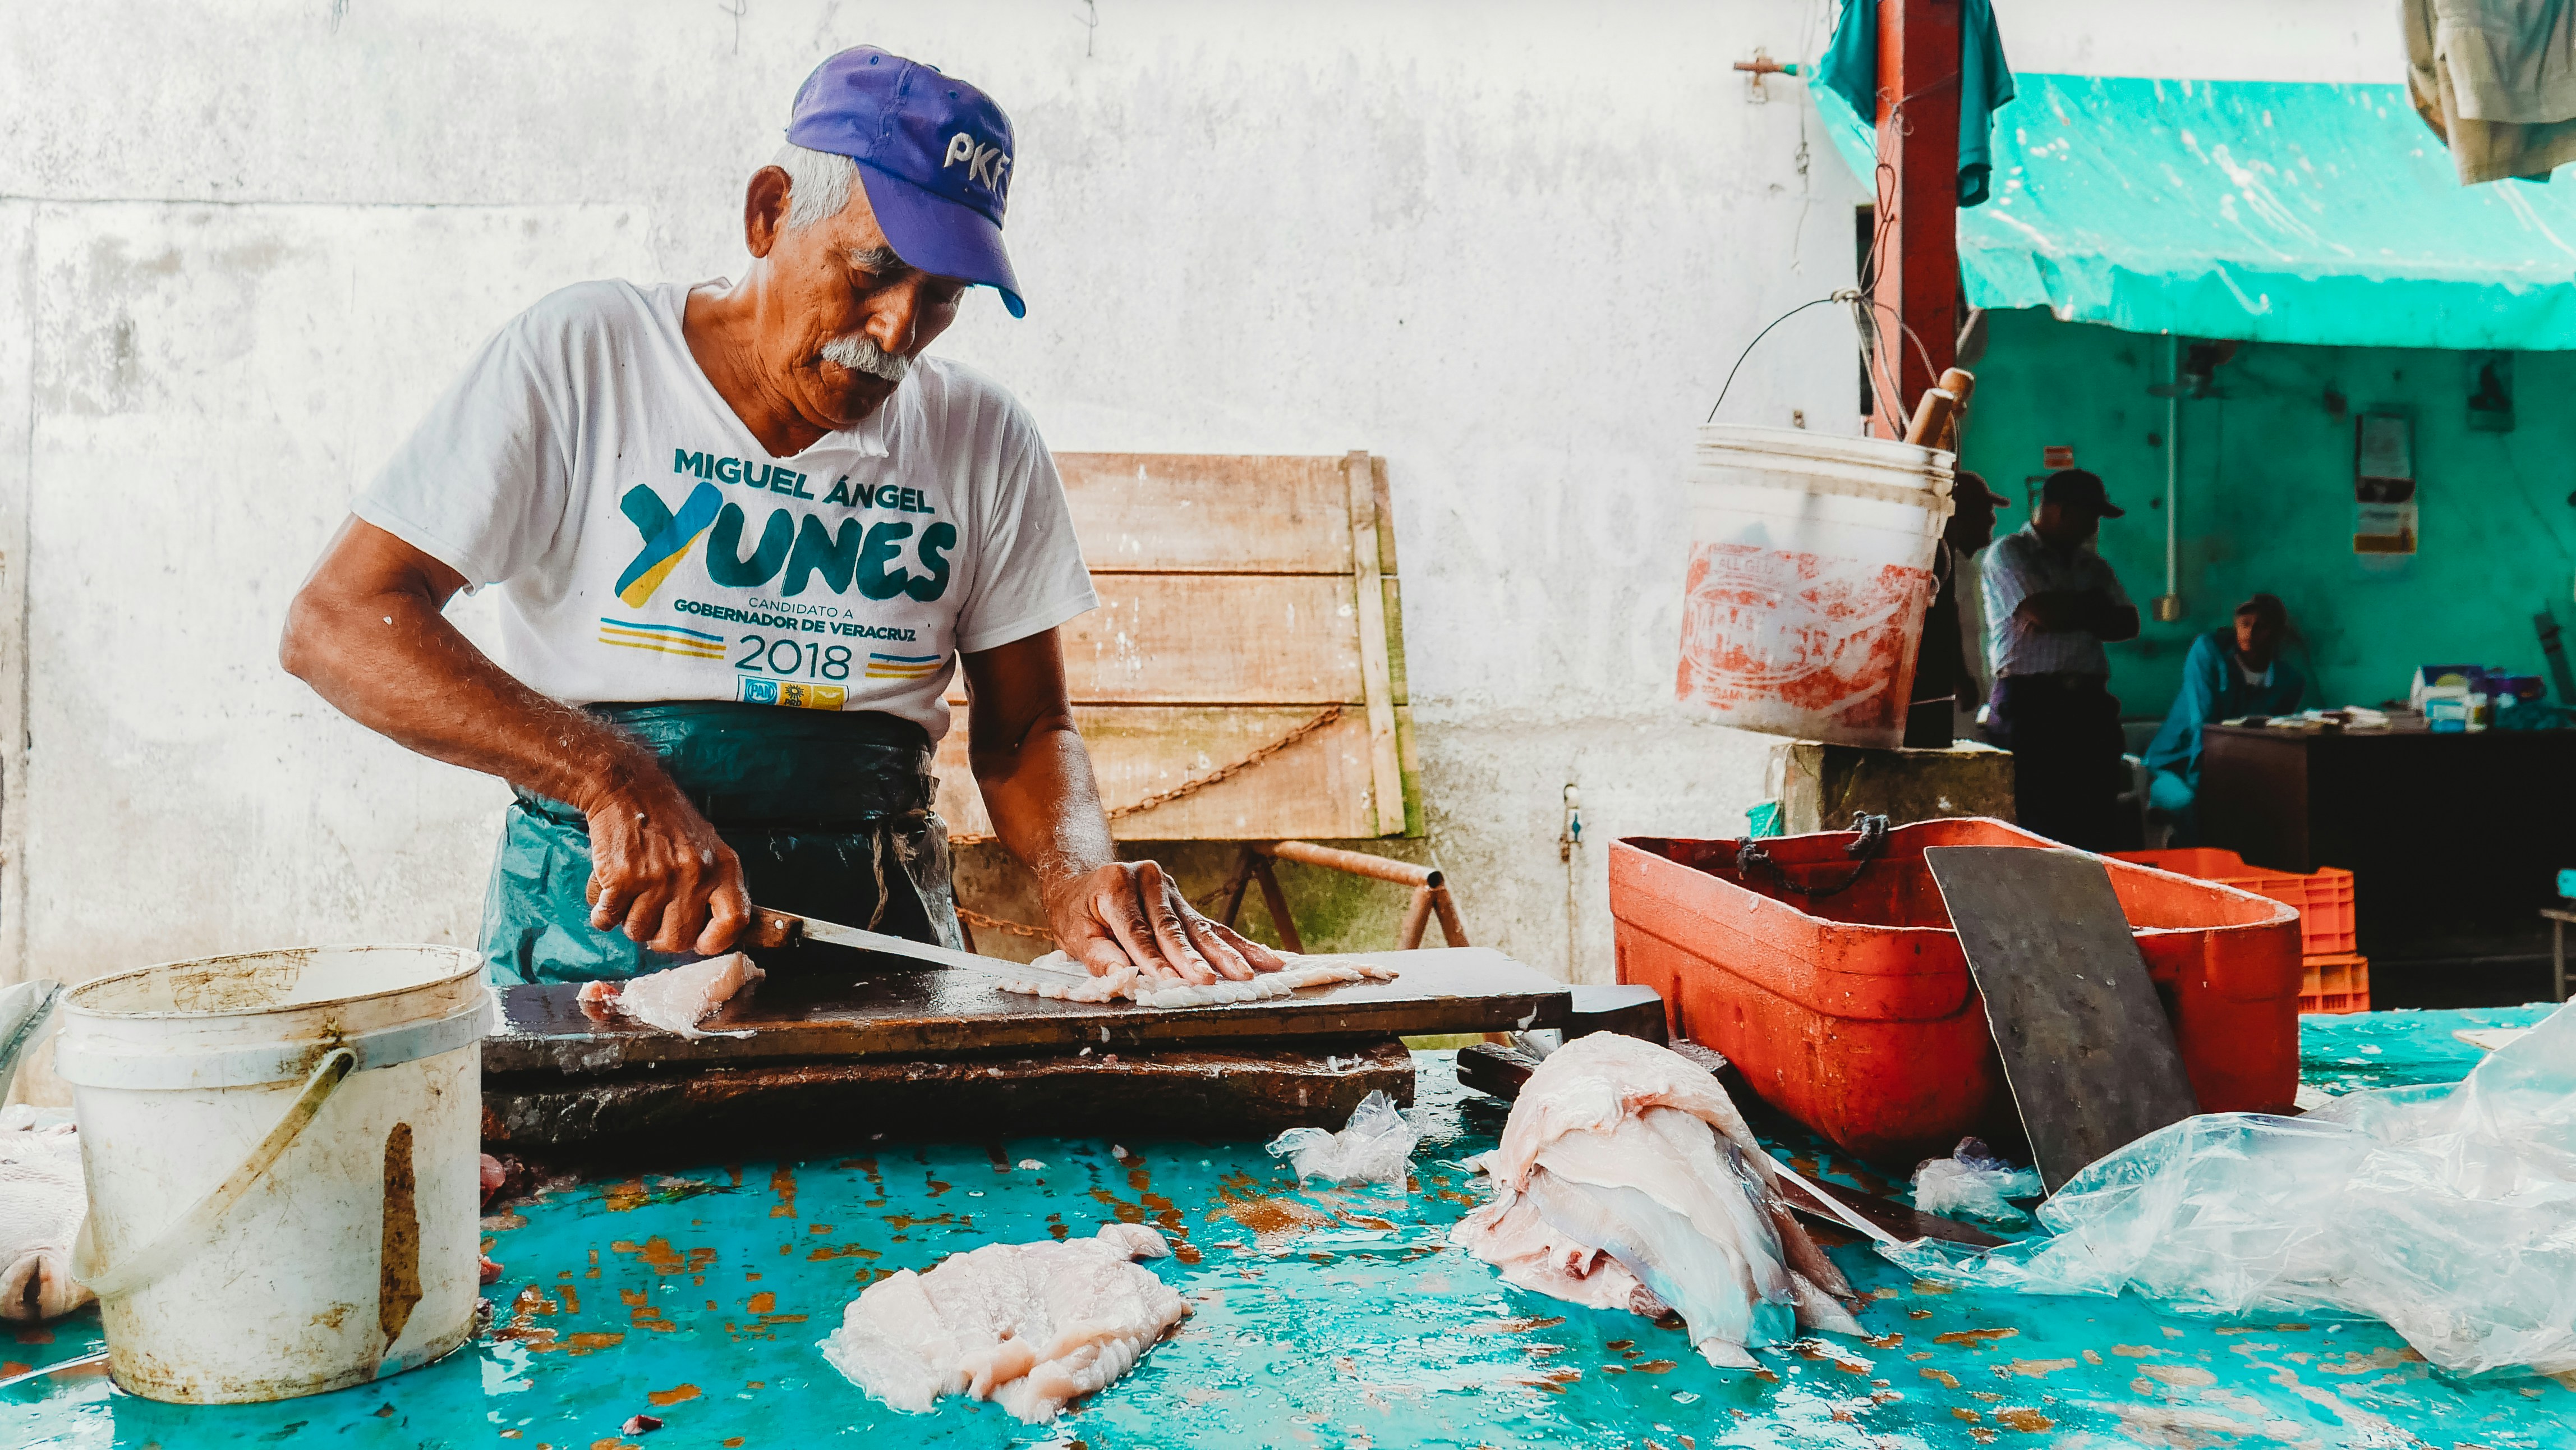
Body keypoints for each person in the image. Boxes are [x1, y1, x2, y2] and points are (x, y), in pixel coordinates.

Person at [280, 47, 1284, 990]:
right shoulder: (584, 356)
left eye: (943, 297)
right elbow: (338, 620)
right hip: (602, 947)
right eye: (873, 271)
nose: (898, 331)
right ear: (768, 213)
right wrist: (604, 772)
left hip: (882, 947)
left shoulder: (980, 434)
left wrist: (1075, 875)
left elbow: (1024, 729)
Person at [1979, 469, 2140, 849]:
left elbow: (2128, 622)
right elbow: (2043, 613)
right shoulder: (2009, 552)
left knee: (2094, 821)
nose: (2093, 527)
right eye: (2089, 516)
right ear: (2062, 511)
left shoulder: (2092, 565)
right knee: (2036, 821)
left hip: (2087, 705)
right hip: (2031, 704)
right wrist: (2092, 607)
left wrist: (2069, 608)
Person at [2142, 594, 2304, 841]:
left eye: (2260, 627)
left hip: (2230, 773)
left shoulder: (2287, 681)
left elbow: (2274, 741)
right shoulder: (2208, 652)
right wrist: (2205, 789)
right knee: (2192, 805)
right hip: (2172, 768)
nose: (2249, 633)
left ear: (2278, 634)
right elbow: (2202, 726)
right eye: (2244, 624)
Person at [1904, 471, 2011, 748]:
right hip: (1952, 697)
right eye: (1984, 512)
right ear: (1959, 517)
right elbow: (1942, 623)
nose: (1992, 520)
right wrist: (1960, 677)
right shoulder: (1942, 567)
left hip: (1968, 697)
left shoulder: (1966, 565)